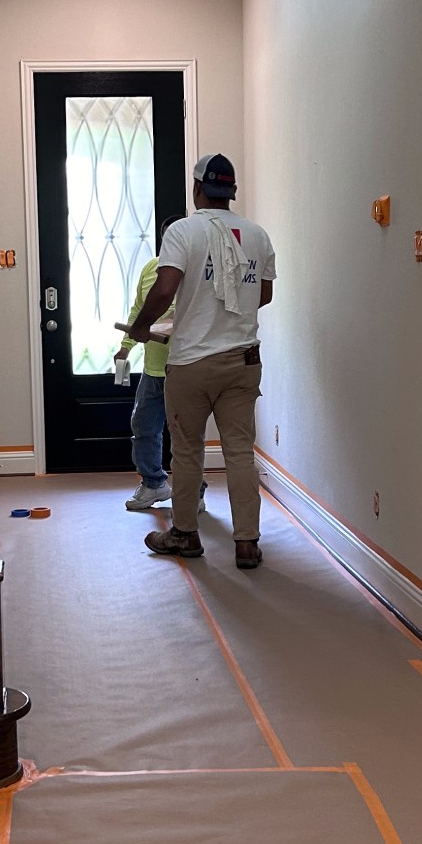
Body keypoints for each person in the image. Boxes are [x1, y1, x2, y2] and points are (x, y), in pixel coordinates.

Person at [124, 153, 276, 570]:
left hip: (191, 362)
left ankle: (185, 534)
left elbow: (163, 289)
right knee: (240, 451)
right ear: (232, 191)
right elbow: (264, 295)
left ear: (197, 188)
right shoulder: (258, 235)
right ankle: (247, 544)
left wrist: (141, 327)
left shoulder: (183, 232)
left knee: (188, 451)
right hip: (243, 360)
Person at [116, 217, 180, 513]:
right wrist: (125, 346)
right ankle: (154, 484)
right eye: (168, 238)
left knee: (185, 436)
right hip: (153, 369)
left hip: (184, 367)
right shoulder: (151, 268)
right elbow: (138, 310)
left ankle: (194, 492)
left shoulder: (196, 271)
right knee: (143, 427)